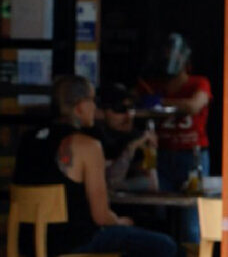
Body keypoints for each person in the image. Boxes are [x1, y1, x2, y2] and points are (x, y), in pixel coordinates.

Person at [13, 75, 177, 257]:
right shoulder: (88, 145)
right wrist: (120, 221)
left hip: (28, 245)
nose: (95, 107)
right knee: (165, 246)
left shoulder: (27, 140)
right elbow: (101, 216)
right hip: (73, 244)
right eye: (92, 101)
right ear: (80, 106)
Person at [137, 32, 212, 243]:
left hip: (192, 157)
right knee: (160, 218)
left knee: (191, 223)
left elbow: (194, 105)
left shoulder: (198, 83)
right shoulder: (151, 84)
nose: (171, 60)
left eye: (176, 55)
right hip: (160, 158)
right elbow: (134, 107)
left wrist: (160, 102)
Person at [97, 82, 159, 192]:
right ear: (101, 112)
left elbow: (152, 184)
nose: (128, 116)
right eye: (120, 109)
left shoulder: (135, 135)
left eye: (131, 108)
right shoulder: (95, 139)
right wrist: (130, 149)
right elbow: (111, 183)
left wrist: (151, 153)